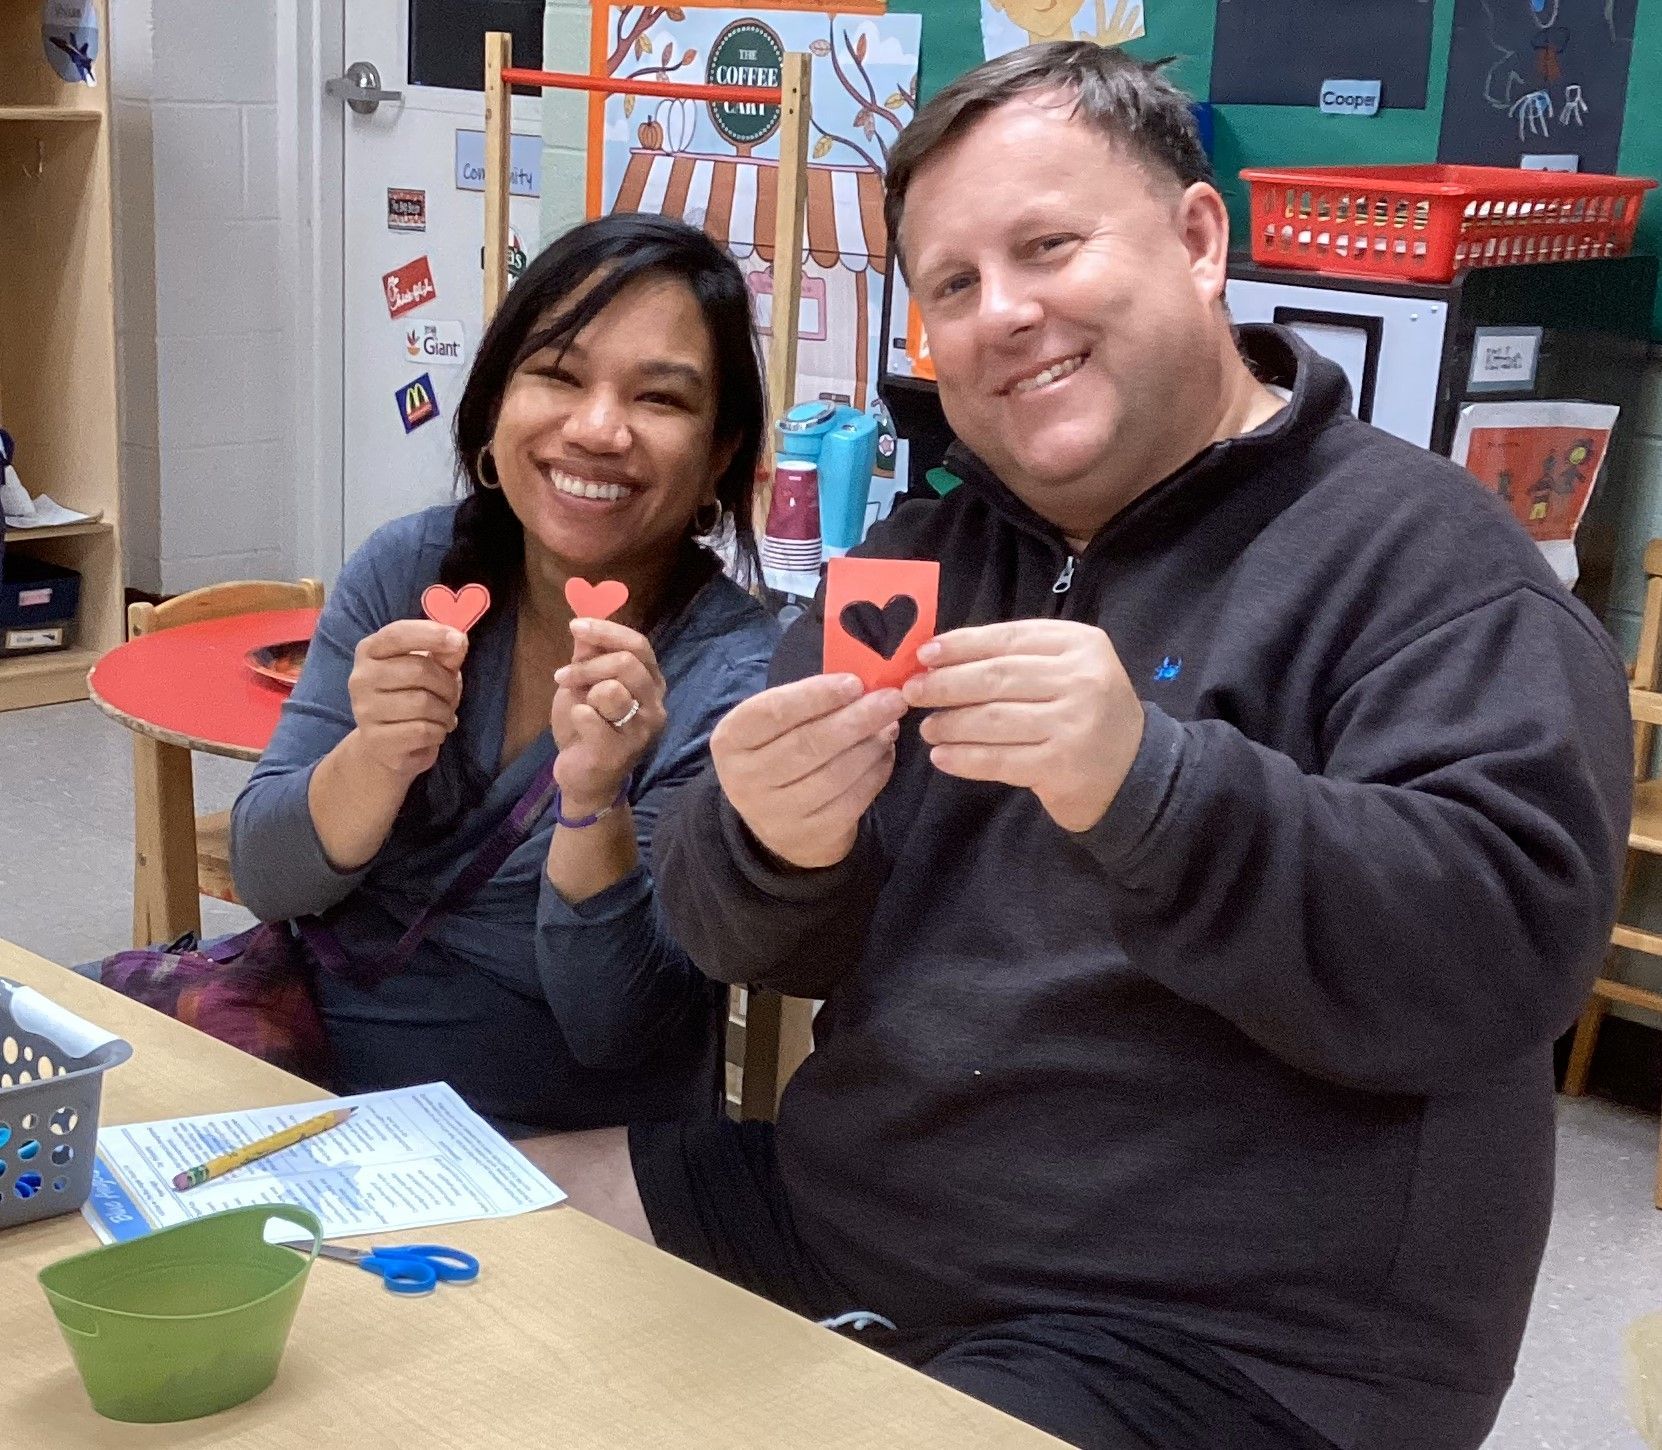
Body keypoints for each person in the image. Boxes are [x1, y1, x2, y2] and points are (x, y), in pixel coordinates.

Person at [515, 44, 1634, 1450]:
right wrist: (766, 842)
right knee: (446, 1213)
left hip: (1230, 1342)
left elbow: (1501, 954)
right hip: (853, 1214)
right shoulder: (916, 556)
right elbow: (737, 929)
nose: (1005, 315)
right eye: (953, 285)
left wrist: (1153, 786)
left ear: (1196, 239)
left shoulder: (1427, 570)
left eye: (1048, 246)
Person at [230, 214, 778, 1136]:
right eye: (558, 376)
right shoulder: (407, 572)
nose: (599, 429)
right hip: (302, 1085)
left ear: (720, 455)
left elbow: (619, 1028)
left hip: (546, 1150)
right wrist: (375, 757)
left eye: (661, 400)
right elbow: (269, 879)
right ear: (492, 409)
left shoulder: (734, 673)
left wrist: (592, 801)